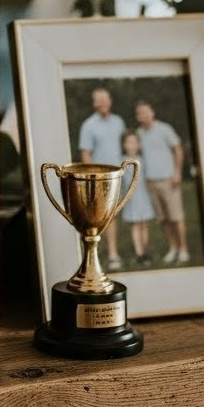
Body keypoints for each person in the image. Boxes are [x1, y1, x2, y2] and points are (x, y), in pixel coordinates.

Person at [134, 99, 190, 264]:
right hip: (150, 182)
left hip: (169, 180)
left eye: (146, 111)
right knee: (163, 219)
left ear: (152, 112)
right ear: (138, 117)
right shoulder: (139, 134)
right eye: (140, 113)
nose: (144, 115)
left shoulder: (165, 129)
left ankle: (183, 250)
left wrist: (177, 172)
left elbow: (178, 149)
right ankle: (173, 248)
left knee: (176, 217)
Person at [78, 86, 126, 270]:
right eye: (99, 100)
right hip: (100, 180)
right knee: (102, 218)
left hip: (119, 176)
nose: (103, 103)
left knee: (113, 215)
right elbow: (86, 153)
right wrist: (92, 180)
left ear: (110, 101)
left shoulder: (119, 122)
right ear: (94, 104)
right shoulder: (88, 125)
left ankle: (110, 253)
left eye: (105, 99)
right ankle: (109, 255)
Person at [119, 129, 155, 265]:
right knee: (135, 225)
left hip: (143, 196)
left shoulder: (142, 160)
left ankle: (144, 251)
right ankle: (139, 253)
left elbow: (147, 179)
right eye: (128, 142)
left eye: (134, 142)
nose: (132, 145)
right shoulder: (123, 161)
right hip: (131, 198)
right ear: (124, 145)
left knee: (144, 224)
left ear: (139, 144)